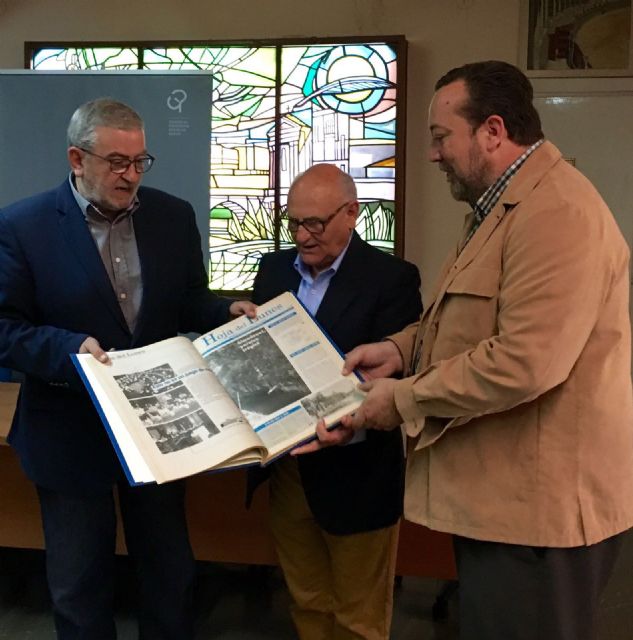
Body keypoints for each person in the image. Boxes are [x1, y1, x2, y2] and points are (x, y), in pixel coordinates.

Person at [335, 61, 633, 640]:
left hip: (538, 520)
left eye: (441, 136)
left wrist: (401, 400)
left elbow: (524, 362)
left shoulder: (556, 212)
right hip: (505, 503)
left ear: (493, 131)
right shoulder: (500, 206)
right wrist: (399, 349)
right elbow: (463, 320)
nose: (432, 154)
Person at [0, 97, 255, 639]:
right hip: (70, 431)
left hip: (160, 425)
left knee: (169, 573)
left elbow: (187, 301)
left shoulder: (173, 216)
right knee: (78, 584)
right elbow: (5, 328)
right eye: (117, 162)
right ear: (77, 158)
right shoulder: (23, 226)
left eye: (141, 162)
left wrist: (222, 311)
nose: (131, 175)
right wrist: (71, 350)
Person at [248, 163, 422, 639]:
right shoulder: (272, 270)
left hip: (357, 472)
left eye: (315, 224)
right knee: (306, 602)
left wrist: (354, 422)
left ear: (352, 214)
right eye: (294, 223)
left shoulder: (392, 278)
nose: (302, 236)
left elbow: (401, 372)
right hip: (289, 469)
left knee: (358, 617)